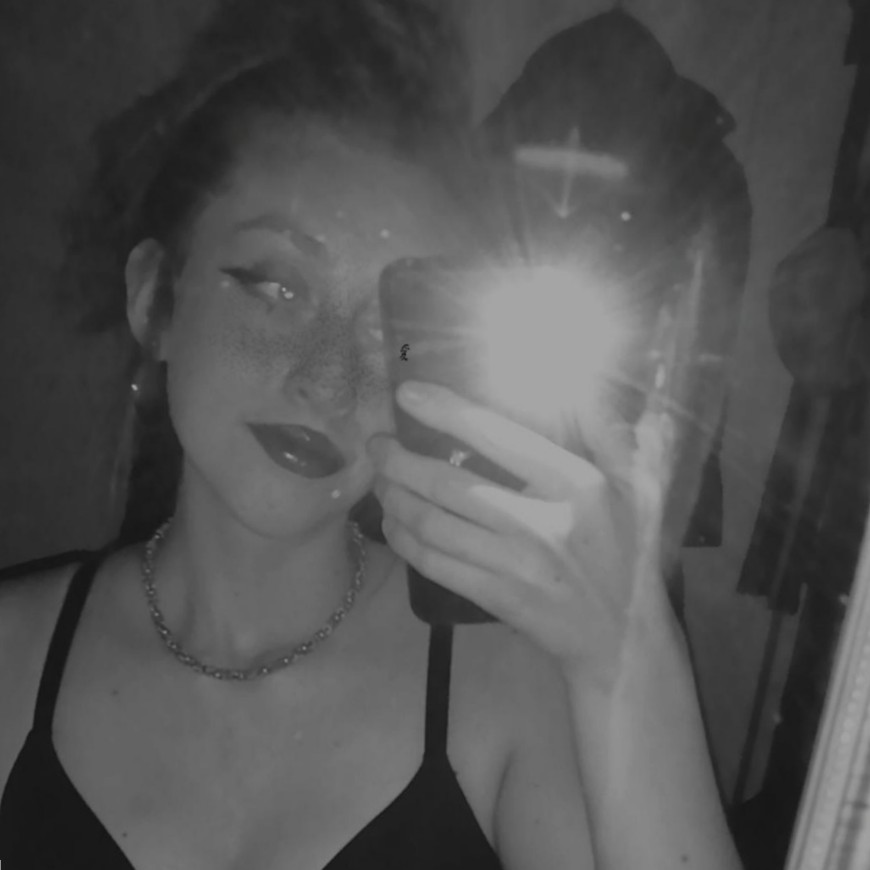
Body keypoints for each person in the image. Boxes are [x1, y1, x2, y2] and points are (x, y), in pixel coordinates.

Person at [0, 1, 742, 868]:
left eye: (388, 328)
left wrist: (629, 656)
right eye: (277, 287)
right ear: (153, 299)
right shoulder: (11, 659)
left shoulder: (512, 688)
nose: (329, 380)